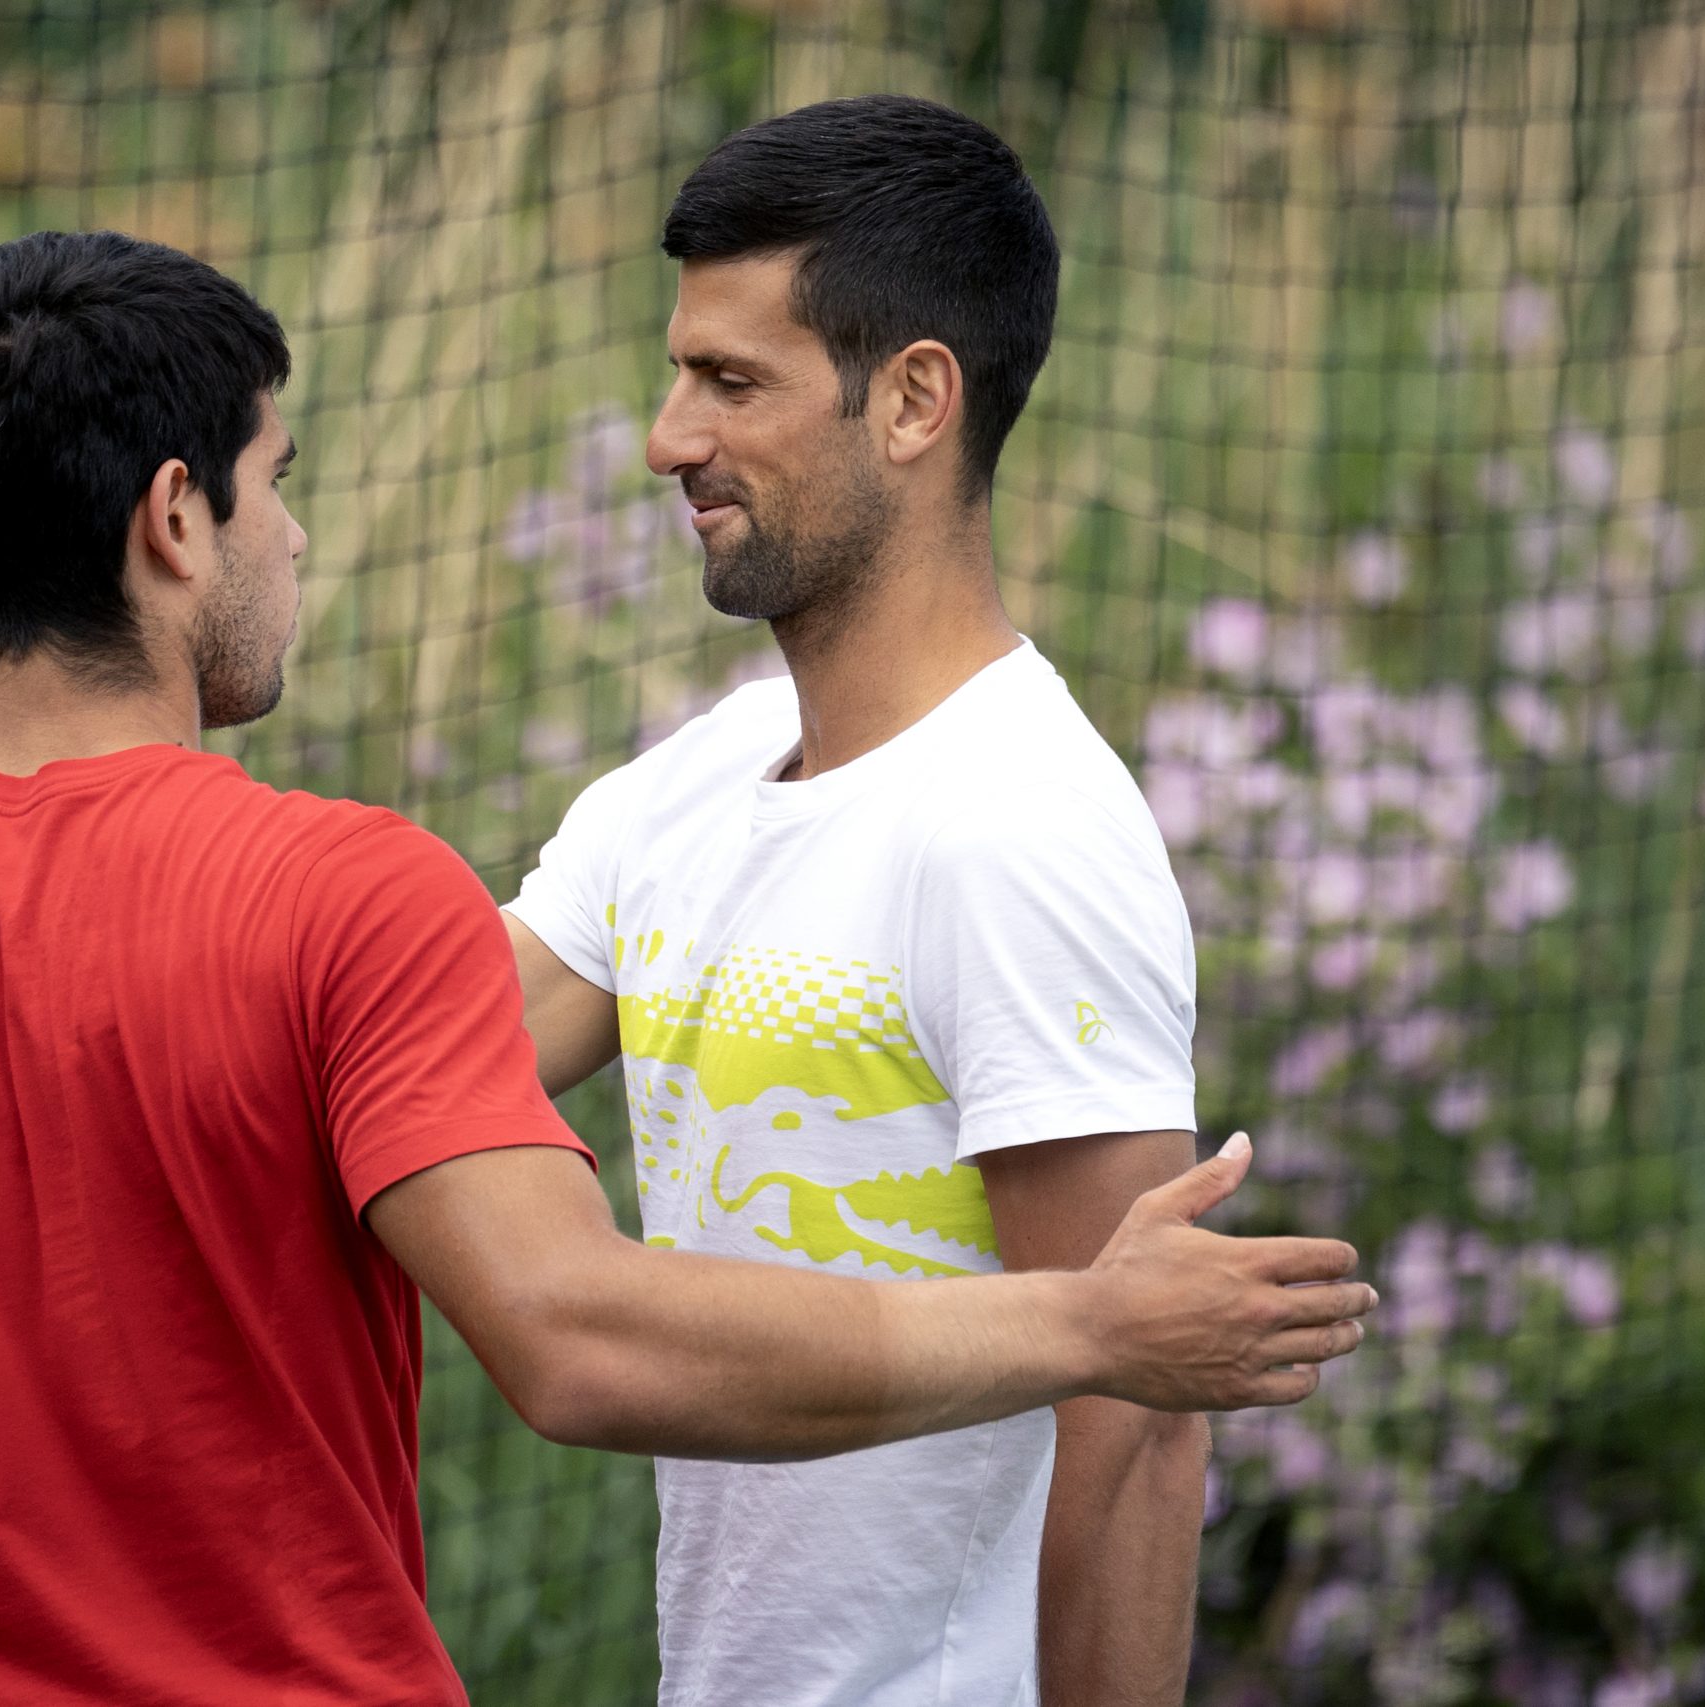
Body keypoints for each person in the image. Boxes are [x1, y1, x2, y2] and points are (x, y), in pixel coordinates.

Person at [0, 228, 1371, 1707]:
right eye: (277, 480)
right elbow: (573, 1334)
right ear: (177, 519)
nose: (294, 529)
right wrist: (1093, 1330)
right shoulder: (346, 895)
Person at [503, 95, 1219, 1706]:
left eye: (730, 381)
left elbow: (1143, 1405)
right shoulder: (696, 781)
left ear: (913, 401)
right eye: (681, 369)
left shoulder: (1024, 829)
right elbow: (428, 1046)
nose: (666, 437)